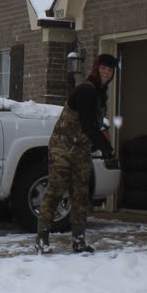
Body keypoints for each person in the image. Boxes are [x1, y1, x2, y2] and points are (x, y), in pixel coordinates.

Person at [38, 51, 117, 254]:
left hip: (81, 149)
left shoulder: (100, 93)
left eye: (110, 70)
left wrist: (101, 141)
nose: (106, 73)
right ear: (96, 69)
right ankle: (42, 238)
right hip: (63, 146)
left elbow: (95, 124)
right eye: (103, 68)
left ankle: (79, 240)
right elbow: (88, 124)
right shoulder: (86, 90)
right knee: (56, 190)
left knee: (81, 194)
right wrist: (106, 148)